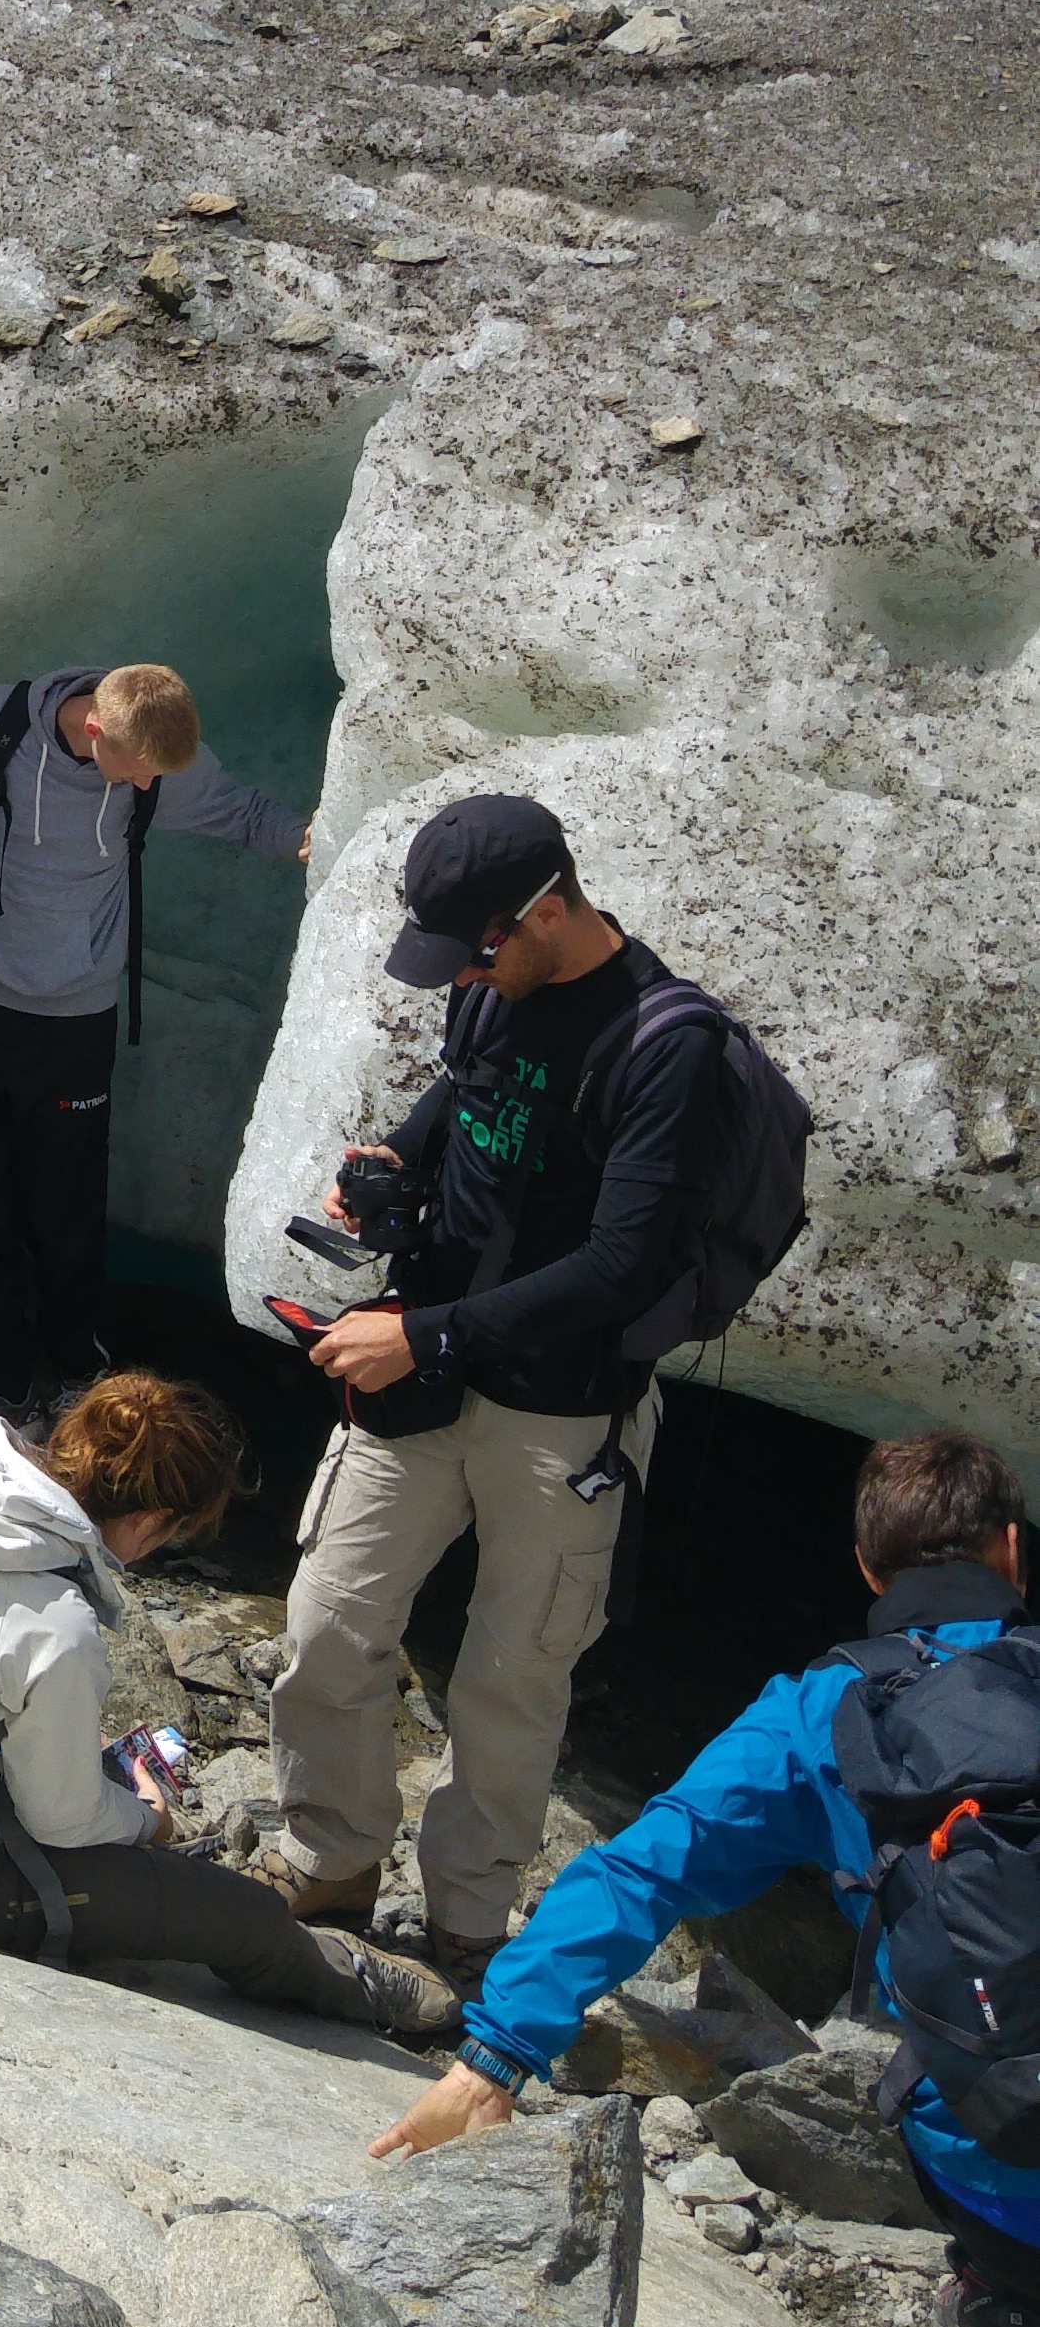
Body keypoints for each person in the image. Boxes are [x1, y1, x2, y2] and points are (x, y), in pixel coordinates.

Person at [367, 1428, 1040, 2327]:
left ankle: (1006, 2300)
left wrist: (497, 2053)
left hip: (1001, 2146)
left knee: (933, 2082)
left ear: (866, 1567)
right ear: (1013, 1548)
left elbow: (641, 1872)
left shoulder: (821, 1713)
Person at [260, 788, 728, 1996]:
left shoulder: (665, 1042)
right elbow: (465, 1100)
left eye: (476, 953)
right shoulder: (489, 982)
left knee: (513, 1674)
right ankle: (330, 1863)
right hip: (425, 1368)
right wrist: (391, 1168)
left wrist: (422, 1333)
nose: (464, 979)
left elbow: (621, 1263)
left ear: (548, 908)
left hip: (558, 1406)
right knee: (327, 1622)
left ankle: (466, 1924)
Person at [0, 1367, 458, 2047]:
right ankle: (359, 1987)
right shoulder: (54, 1626)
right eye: (172, 1532)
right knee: (235, 1912)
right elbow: (63, 1823)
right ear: (146, 1520)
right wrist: (147, 1823)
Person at [0, 657, 308, 1411]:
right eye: (137, 771)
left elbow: (241, 814)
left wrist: (316, 839)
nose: (147, 787)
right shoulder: (1, 720)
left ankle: (78, 1371)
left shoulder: (161, 763)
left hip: (73, 1022)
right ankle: (2, 1385)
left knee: (66, 1206)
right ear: (96, 728)